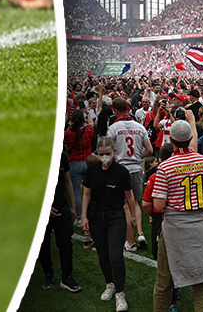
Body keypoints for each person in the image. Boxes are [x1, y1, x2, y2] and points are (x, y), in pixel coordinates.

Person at [152, 118, 203, 312]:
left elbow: (158, 204)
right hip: (199, 224)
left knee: (164, 281)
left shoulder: (165, 166)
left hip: (174, 227)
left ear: (172, 140)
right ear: (191, 137)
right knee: (201, 283)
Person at [81, 137, 143, 311]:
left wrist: (132, 218)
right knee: (103, 254)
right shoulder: (92, 170)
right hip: (96, 218)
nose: (104, 157)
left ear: (115, 152)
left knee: (116, 255)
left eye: (108, 154)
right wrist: (84, 216)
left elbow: (130, 197)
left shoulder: (121, 171)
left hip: (116, 216)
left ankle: (120, 292)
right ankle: (110, 283)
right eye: (101, 154)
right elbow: (86, 194)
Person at [107, 97, 153, 251]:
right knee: (135, 203)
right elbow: (150, 150)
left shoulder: (113, 127)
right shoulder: (139, 127)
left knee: (125, 206)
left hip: (121, 169)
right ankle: (140, 232)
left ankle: (131, 242)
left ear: (115, 110)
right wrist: (139, 156)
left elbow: (107, 151)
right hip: (136, 168)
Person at [38, 151, 82, 293]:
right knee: (43, 244)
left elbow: (67, 181)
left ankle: (66, 277)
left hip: (61, 205)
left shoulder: (61, 156)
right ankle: (48, 274)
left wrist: (73, 206)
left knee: (65, 242)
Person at [64, 109, 94, 227]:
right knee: (90, 189)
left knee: (76, 192)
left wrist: (68, 128)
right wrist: (87, 113)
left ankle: (79, 217)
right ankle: (91, 213)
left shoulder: (69, 134)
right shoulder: (89, 130)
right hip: (88, 161)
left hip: (75, 163)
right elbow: (91, 123)